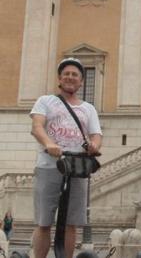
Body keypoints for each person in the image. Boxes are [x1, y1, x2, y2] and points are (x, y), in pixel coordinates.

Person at [30, 57, 102, 258]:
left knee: (71, 223)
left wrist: (94, 145)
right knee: (44, 222)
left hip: (77, 167)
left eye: (75, 75)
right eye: (66, 74)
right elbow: (37, 126)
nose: (70, 77)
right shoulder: (45, 101)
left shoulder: (88, 108)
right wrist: (49, 144)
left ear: (81, 82)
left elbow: (96, 134)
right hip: (49, 166)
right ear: (60, 79)